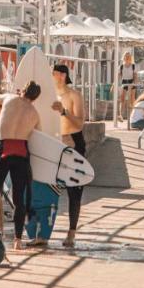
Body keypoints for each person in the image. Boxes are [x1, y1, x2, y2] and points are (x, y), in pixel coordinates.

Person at [0, 82, 43, 249]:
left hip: (4, 149)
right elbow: (39, 137)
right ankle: (17, 240)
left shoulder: (9, 98)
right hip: (21, 151)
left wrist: (2, 115)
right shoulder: (35, 114)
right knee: (18, 199)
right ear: (35, 98)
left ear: (22, 90)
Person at [51, 63, 86, 249]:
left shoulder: (74, 95)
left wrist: (64, 112)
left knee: (74, 189)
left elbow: (80, 123)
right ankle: (43, 227)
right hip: (56, 140)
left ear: (62, 75)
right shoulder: (49, 94)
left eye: (54, 73)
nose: (51, 76)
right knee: (49, 184)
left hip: (74, 140)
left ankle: (71, 231)